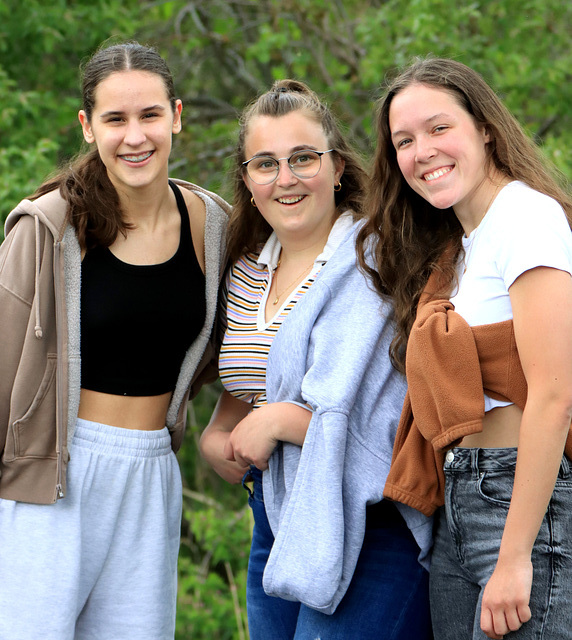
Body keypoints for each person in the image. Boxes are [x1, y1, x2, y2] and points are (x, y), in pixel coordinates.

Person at [0, 41, 230, 640]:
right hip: (52, 476)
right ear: (87, 126)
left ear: (176, 115)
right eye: (115, 119)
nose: (136, 136)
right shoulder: (48, 227)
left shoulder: (214, 224)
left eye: (150, 115)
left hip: (153, 471)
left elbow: (245, 335)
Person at [199, 79, 433, 640]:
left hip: (371, 521)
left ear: (337, 167)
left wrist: (279, 421)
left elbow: (389, 420)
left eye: (304, 157)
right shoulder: (247, 270)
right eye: (266, 163)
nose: (286, 178)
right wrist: (218, 434)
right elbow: (252, 386)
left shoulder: (379, 266)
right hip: (274, 516)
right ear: (247, 180)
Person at [357, 56, 572, 640]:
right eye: (404, 140)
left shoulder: (527, 218)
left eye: (438, 128)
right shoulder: (459, 247)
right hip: (460, 501)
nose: (421, 151)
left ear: (484, 128)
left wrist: (516, 555)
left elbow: (555, 397)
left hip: (522, 504)